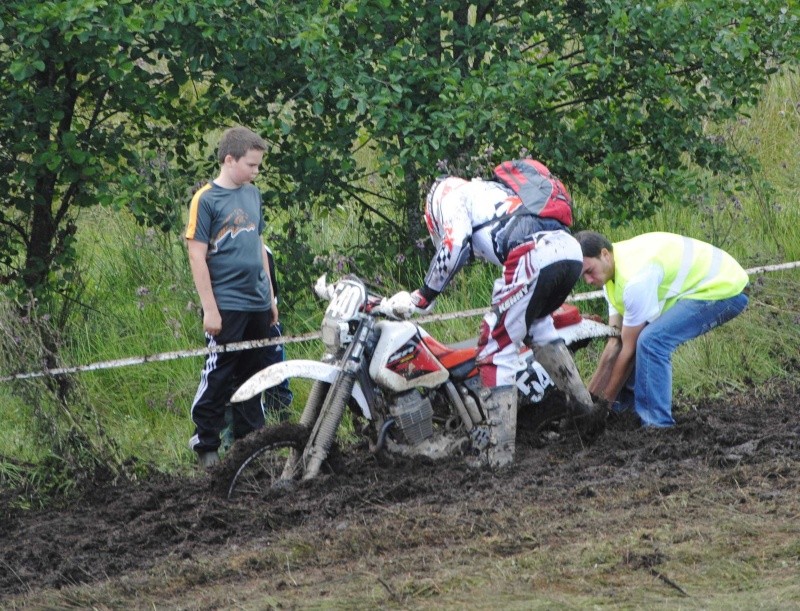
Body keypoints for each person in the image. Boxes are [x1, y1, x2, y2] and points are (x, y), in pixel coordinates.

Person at [385, 168, 597, 467]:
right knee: (541, 330)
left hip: (533, 252)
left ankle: (498, 454)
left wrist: (421, 298)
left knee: (495, 349)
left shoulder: (451, 197)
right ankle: (586, 417)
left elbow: (454, 244)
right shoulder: (490, 191)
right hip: (568, 250)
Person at [574, 230, 749, 428]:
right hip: (708, 284)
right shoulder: (611, 277)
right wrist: (588, 403)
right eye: (583, 276)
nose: (588, 281)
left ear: (604, 254)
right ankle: (623, 415)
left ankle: (657, 425)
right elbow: (615, 343)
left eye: (589, 271)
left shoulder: (634, 280)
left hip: (724, 287)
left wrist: (602, 406)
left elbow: (628, 351)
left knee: (651, 341)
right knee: (640, 337)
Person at [185, 126, 279, 469]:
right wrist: (210, 308)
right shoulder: (206, 200)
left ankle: (250, 446)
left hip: (257, 301)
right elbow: (196, 255)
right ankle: (206, 444)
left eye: (258, 166)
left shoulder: (253, 195)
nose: (256, 172)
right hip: (226, 304)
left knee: (255, 374)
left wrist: (270, 298)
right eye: (251, 165)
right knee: (220, 373)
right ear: (229, 159)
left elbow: (259, 247)